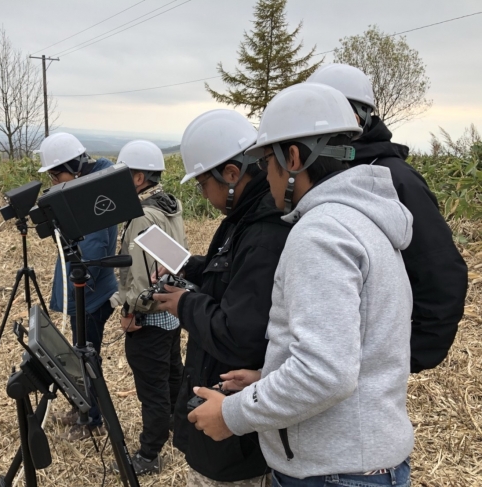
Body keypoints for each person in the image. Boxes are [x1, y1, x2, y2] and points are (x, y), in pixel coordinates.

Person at [189, 83, 414, 487]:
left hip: (331, 472)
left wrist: (231, 414)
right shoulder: (367, 220)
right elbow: (349, 351)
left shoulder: (321, 234)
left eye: (267, 163)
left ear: (292, 158)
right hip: (364, 460)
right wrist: (269, 374)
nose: (266, 177)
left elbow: (324, 374)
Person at [152, 109, 291, 486]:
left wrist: (184, 303)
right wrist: (190, 267)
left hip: (235, 433)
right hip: (226, 412)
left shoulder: (263, 232)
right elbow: (231, 274)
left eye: (201, 184)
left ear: (231, 174)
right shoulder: (246, 217)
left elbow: (239, 333)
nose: (202, 193)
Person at [307, 63, 468, 373]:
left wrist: (403, 357)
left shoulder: (395, 179)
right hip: (321, 357)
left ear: (354, 119)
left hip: (358, 369)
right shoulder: (322, 175)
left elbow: (441, 274)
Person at [108, 140, 188, 475]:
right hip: (170, 315)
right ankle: (177, 425)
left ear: (138, 178)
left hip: (150, 319)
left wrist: (130, 312)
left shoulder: (141, 217)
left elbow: (141, 280)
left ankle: (148, 454)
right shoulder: (170, 206)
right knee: (172, 377)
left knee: (152, 390)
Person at [37, 132, 118, 441]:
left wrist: (78, 291)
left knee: (88, 357)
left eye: (55, 175)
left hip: (91, 295)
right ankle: (85, 408)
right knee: (81, 353)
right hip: (87, 291)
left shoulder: (93, 195)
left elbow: (94, 249)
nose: (55, 182)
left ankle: (93, 418)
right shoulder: (90, 187)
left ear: (71, 168)